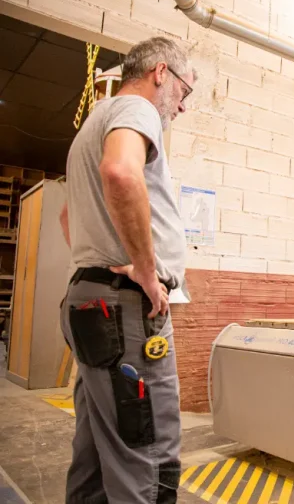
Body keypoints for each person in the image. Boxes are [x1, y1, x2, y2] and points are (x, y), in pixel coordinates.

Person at [59, 36, 195, 503]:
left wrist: (98, 262)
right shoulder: (137, 111)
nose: (181, 106)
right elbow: (120, 172)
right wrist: (144, 267)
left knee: (97, 451)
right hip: (124, 311)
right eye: (184, 92)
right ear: (161, 73)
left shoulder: (91, 127)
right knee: (147, 457)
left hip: (88, 300)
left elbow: (66, 219)